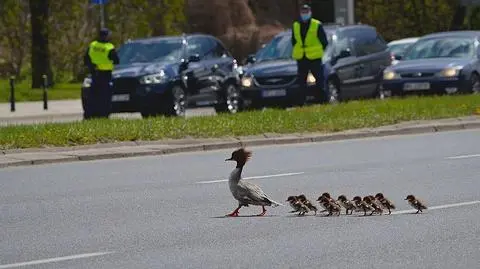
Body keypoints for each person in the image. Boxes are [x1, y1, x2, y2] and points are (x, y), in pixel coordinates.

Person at [291, 4, 329, 104]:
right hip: (301, 57)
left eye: (306, 12)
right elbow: (294, 41)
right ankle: (301, 102)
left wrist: (318, 51)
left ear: (310, 13)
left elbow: (324, 41)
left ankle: (322, 101)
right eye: (303, 12)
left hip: (314, 57)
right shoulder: (296, 25)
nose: (304, 14)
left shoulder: (316, 25)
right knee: (301, 82)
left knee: (319, 81)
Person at [83, 28, 120, 119]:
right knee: (105, 96)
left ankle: (89, 115)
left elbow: (86, 59)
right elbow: (116, 60)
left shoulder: (92, 45)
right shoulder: (109, 47)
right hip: (105, 75)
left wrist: (92, 66)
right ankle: (104, 115)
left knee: (93, 95)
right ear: (106, 36)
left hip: (94, 74)